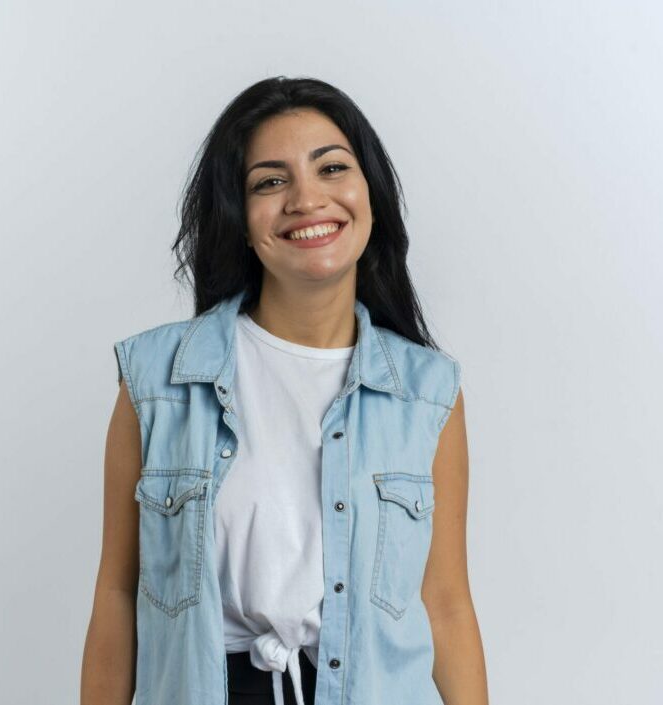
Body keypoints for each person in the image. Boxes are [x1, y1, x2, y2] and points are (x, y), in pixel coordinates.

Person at [81, 76, 488, 705]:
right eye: (270, 181)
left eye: (331, 168)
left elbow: (447, 605)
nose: (306, 198)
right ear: (241, 221)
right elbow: (118, 592)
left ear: (370, 196)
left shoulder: (427, 394)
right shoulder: (157, 378)